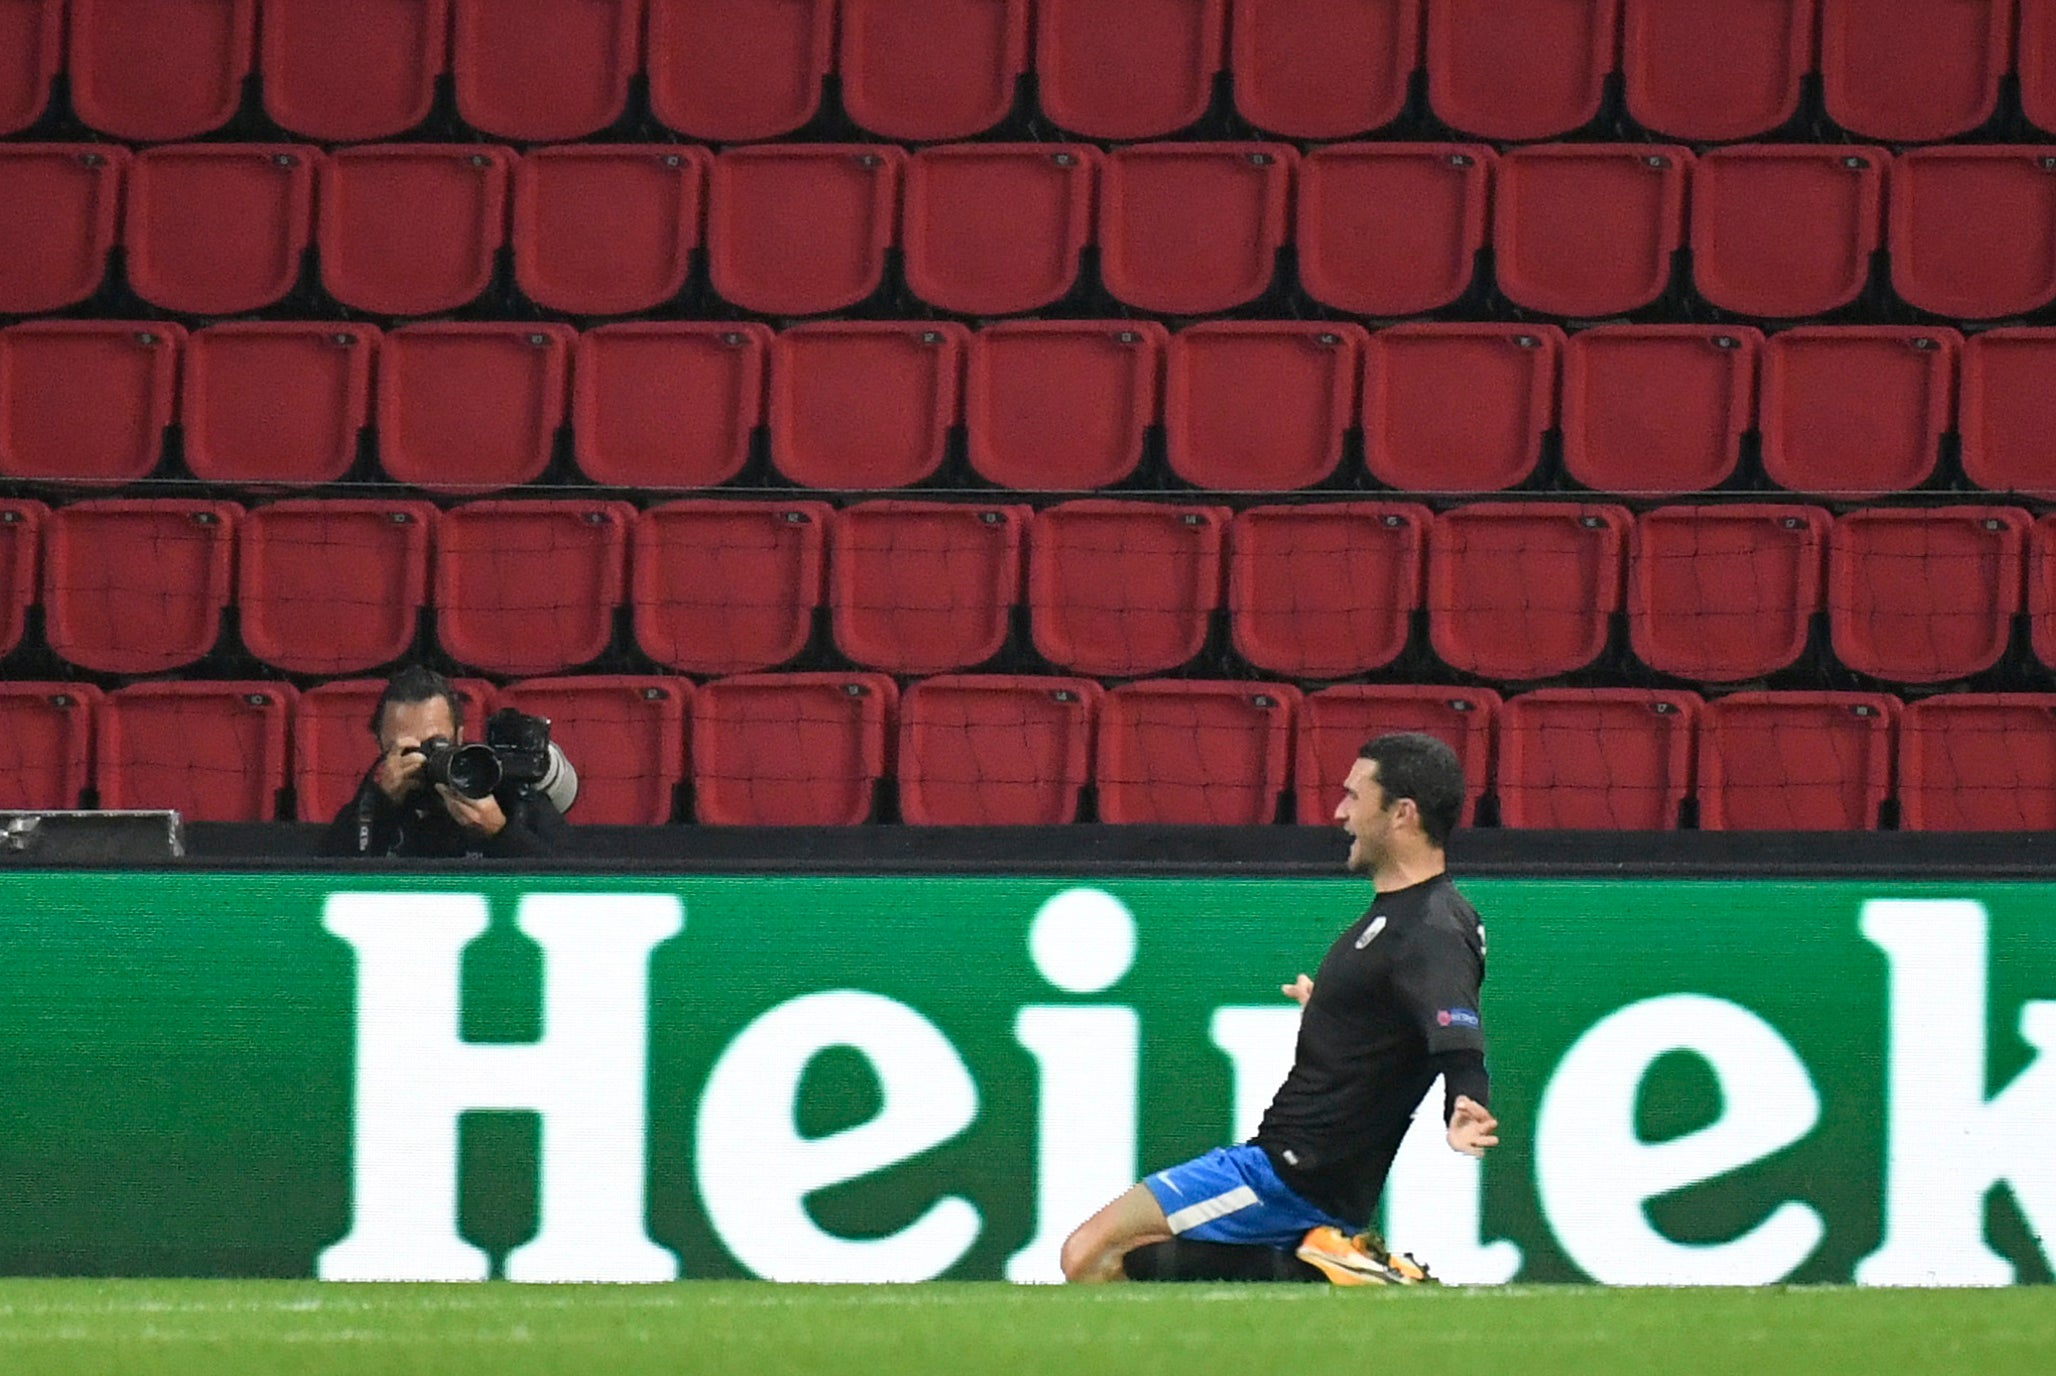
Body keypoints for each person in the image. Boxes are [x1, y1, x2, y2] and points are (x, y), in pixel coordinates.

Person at [1060, 732, 1499, 1286]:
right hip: (1311, 1171)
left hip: (1290, 1171)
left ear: (1401, 814)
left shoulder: (1430, 926)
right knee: (1132, 1260)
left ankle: (1341, 1272)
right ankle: (1329, 1264)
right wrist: (1331, 1009)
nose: (1340, 813)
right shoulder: (1406, 918)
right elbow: (1401, 1020)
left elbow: (1454, 1025)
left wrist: (1467, 1097)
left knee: (1089, 1257)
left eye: (1354, 797)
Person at [320, 666, 567, 859]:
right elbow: (325, 881)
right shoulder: (372, 801)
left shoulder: (492, 782)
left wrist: (500, 831)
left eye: (435, 743)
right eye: (407, 748)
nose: (422, 757)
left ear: (458, 735)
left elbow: (571, 883)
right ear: (380, 745)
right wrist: (383, 806)